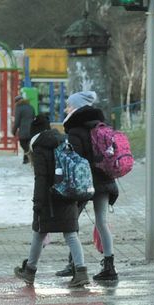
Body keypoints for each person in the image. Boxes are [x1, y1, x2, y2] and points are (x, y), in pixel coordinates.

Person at [13, 115, 89, 287]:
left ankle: (30, 271)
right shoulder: (63, 142)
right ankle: (81, 271)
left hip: (49, 199)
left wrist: (37, 203)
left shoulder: (39, 149)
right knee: (71, 234)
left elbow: (41, 179)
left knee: (39, 233)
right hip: (68, 195)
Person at [53, 91, 121, 283]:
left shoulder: (75, 129)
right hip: (104, 180)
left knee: (71, 222)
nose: (67, 108)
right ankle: (109, 266)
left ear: (76, 107)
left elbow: (74, 159)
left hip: (83, 183)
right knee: (102, 222)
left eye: (69, 105)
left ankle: (74, 264)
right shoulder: (101, 125)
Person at [12, 94, 35, 164]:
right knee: (28, 144)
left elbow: (17, 121)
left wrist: (14, 131)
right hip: (32, 129)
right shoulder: (30, 107)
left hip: (24, 130)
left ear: (17, 102)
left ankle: (30, 156)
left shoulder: (18, 108)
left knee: (23, 143)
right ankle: (26, 160)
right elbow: (34, 117)